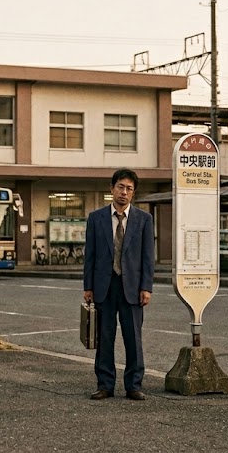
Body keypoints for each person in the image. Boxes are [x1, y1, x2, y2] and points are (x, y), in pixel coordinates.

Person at [82, 169, 155, 401]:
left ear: (134, 193)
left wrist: (146, 287)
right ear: (112, 188)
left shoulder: (144, 220)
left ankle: (134, 385)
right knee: (104, 338)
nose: (124, 192)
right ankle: (105, 385)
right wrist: (88, 287)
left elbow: (147, 257)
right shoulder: (96, 218)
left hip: (132, 287)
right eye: (121, 187)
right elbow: (90, 255)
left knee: (133, 338)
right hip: (104, 285)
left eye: (129, 189)